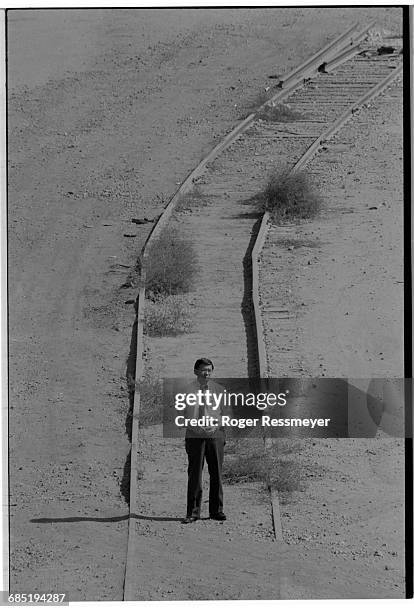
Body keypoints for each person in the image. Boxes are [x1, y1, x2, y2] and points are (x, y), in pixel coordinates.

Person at [182, 358, 227, 524]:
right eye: (203, 370)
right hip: (194, 437)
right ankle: (193, 512)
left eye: (209, 370)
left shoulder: (220, 390)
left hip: (215, 436)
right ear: (195, 371)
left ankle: (217, 511)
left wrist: (216, 426)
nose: (206, 373)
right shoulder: (186, 391)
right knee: (195, 474)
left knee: (216, 473)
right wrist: (194, 426)